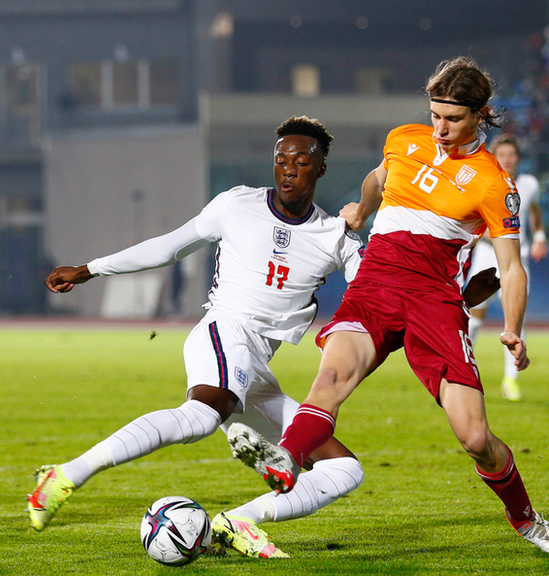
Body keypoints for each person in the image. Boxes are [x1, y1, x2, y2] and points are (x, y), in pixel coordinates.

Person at [227, 57, 549, 554]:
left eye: (452, 118)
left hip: (435, 300)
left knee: (475, 437)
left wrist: (514, 328)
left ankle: (526, 519)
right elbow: (378, 176)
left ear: (480, 115)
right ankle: (286, 458)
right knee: (331, 378)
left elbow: (512, 267)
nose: (439, 127)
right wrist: (363, 208)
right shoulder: (404, 139)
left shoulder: (495, 185)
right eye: (435, 114)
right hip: (376, 282)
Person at [27, 116, 366, 558]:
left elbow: (380, 288)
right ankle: (66, 473)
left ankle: (240, 521)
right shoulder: (236, 204)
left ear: (320, 169)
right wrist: (91, 268)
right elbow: (170, 245)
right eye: (280, 159)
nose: (287, 169)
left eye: (301, 161)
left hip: (255, 368)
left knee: (344, 468)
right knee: (202, 417)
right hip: (223, 332)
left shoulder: (335, 237)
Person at [465, 135, 548, 401]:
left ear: (518, 158)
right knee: (473, 316)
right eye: (503, 155)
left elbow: (534, 210)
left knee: (515, 321)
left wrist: (539, 237)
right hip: (488, 258)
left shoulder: (528, 184)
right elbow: (474, 222)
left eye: (512, 155)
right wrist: (498, 237)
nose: (508, 159)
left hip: (519, 260)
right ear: (494, 157)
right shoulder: (484, 183)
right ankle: (462, 371)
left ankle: (510, 381)